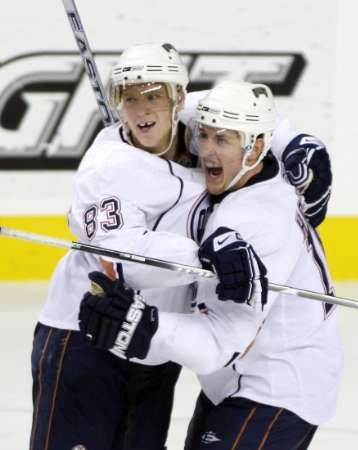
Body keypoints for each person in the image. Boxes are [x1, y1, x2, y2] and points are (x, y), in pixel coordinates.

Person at [30, 43, 332, 450]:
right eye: (130, 98)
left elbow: (245, 111)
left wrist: (298, 142)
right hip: (89, 332)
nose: (142, 110)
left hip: (155, 343)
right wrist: (203, 257)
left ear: (179, 100)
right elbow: (122, 264)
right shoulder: (105, 170)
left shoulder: (198, 125)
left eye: (154, 95)